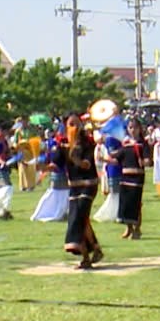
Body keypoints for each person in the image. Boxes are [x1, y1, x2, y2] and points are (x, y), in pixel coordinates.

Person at [60, 113, 104, 269]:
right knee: (81, 218)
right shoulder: (63, 144)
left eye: (77, 123)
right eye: (71, 124)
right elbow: (55, 165)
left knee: (79, 215)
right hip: (74, 185)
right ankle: (91, 253)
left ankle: (87, 251)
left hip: (88, 184)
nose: (75, 127)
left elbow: (86, 165)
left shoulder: (87, 143)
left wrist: (74, 157)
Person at [100, 119, 148, 239]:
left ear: (139, 129)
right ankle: (128, 228)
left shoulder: (143, 144)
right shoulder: (126, 144)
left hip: (137, 176)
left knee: (136, 203)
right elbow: (117, 159)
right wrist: (104, 158)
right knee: (125, 203)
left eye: (135, 127)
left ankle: (137, 228)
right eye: (130, 127)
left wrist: (145, 161)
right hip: (125, 176)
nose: (132, 130)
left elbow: (148, 160)